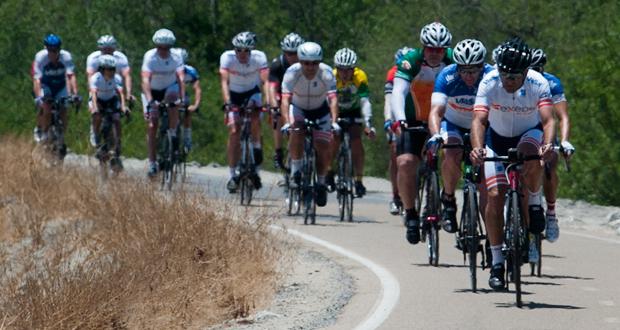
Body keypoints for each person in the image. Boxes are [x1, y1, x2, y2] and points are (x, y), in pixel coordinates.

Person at [470, 38, 555, 290]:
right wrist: (476, 148)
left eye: (515, 76)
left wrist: (548, 145)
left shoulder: (538, 83)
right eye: (505, 74)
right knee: (494, 196)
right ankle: (497, 262)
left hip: (528, 133)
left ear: (526, 72)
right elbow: (478, 120)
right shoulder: (489, 81)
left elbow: (549, 121)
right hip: (495, 138)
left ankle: (535, 201)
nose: (509, 80)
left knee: (533, 155)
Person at [390, 22, 453, 244]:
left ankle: (447, 199)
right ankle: (411, 213)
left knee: (453, 154)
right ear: (422, 47)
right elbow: (398, 91)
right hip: (414, 120)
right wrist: (400, 120)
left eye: (440, 49)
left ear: (446, 49)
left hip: (444, 120)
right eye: (430, 49)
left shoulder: (454, 60)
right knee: (406, 162)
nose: (435, 54)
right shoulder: (411, 60)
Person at [428, 39, 493, 233]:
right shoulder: (447, 76)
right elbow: (436, 112)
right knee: (451, 151)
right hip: (453, 123)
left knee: (485, 177)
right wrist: (436, 135)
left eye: (473, 70)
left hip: (484, 126)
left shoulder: (491, 77)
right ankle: (448, 198)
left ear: (482, 66)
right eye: (463, 70)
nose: (468, 76)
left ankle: (492, 233)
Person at [280, 42, 340, 207]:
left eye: (315, 63)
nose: (310, 67)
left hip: (321, 110)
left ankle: (321, 182)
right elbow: (285, 100)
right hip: (298, 109)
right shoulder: (292, 73)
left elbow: (333, 99)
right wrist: (286, 123)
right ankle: (296, 171)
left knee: (323, 146)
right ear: (300, 61)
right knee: (296, 131)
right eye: (306, 63)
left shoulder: (326, 72)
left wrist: (334, 122)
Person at [529, 48, 575, 244]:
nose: (535, 73)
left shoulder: (551, 82)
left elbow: (562, 117)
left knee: (550, 164)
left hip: (546, 131)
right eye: (531, 68)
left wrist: (564, 141)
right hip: (524, 130)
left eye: (538, 69)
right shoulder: (516, 83)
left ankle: (551, 212)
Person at [220, 31, 269, 192]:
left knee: (255, 118)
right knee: (234, 131)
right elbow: (224, 82)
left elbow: (265, 81)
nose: (242, 54)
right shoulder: (227, 58)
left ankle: (256, 147)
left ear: (251, 50)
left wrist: (268, 101)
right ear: (234, 50)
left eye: (246, 50)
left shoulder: (259, 57)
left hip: (252, 92)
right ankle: (233, 174)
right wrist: (227, 103)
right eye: (238, 50)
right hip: (233, 95)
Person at [330, 48, 376, 197]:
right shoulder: (331, 77)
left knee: (356, 140)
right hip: (335, 110)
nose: (344, 73)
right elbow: (327, 100)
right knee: (333, 138)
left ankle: (358, 180)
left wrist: (368, 124)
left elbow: (365, 101)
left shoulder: (360, 77)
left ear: (353, 69)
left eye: (348, 70)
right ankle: (329, 171)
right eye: (341, 70)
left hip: (354, 111)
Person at [140, 28, 185, 177]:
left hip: (169, 88)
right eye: (160, 47)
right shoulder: (150, 57)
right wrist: (151, 100)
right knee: (152, 125)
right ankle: (152, 163)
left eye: (167, 48)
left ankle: (172, 133)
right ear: (156, 46)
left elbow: (181, 78)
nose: (164, 51)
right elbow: (145, 79)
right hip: (152, 90)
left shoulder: (176, 56)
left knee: (174, 102)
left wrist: (182, 98)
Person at [32, 33, 80, 145]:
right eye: (50, 50)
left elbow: (71, 75)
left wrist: (75, 93)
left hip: (60, 86)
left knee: (64, 109)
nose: (53, 53)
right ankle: (43, 131)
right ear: (46, 49)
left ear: (59, 49)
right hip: (46, 86)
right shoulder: (40, 57)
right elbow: (37, 79)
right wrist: (39, 97)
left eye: (56, 50)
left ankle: (61, 135)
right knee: (46, 107)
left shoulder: (66, 56)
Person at [268, 33, 305, 174]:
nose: (292, 57)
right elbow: (271, 88)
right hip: (281, 94)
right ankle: (278, 151)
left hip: (299, 96)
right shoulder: (278, 64)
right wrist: (274, 107)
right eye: (289, 53)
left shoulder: (307, 63)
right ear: (284, 52)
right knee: (276, 116)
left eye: (295, 53)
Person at [89, 54, 128, 168]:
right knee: (97, 116)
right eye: (108, 69)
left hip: (111, 99)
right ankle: (95, 134)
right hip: (99, 100)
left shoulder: (117, 78)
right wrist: (95, 107)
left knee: (116, 119)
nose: (111, 72)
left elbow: (120, 93)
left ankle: (118, 142)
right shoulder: (95, 78)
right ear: (102, 69)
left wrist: (123, 106)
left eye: (113, 69)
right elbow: (94, 94)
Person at [384, 47, 410, 215]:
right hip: (397, 116)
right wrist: (388, 120)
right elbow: (389, 100)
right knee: (395, 153)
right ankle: (395, 196)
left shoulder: (419, 72)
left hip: (416, 114)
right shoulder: (393, 74)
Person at [173, 48, 201, 151]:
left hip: (183, 96)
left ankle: (187, 138)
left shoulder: (191, 71)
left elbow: (197, 89)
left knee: (187, 111)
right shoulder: (167, 70)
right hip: (169, 95)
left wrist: (196, 105)